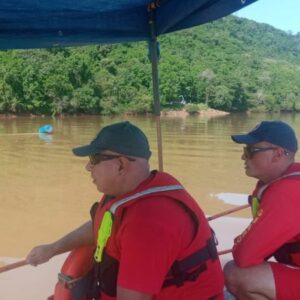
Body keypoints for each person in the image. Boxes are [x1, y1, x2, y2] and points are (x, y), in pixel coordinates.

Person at [26, 121, 224, 300]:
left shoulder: (149, 223)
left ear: (121, 165)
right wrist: (52, 248)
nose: (88, 167)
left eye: (94, 159)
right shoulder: (123, 194)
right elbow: (101, 227)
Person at [224, 120, 300, 300]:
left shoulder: (287, 191)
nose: (244, 157)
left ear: (278, 154)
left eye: (251, 151)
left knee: (236, 274)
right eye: (244, 151)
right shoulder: (275, 185)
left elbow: (245, 256)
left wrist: (242, 242)